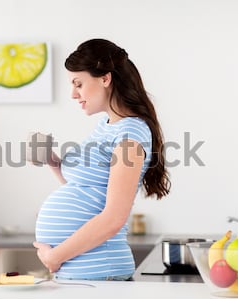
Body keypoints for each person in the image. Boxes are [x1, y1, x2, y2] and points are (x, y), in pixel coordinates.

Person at [32, 38, 170, 281]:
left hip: (100, 271)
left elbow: (114, 219)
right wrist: (52, 161)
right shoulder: (107, 125)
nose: (74, 94)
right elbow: (86, 191)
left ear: (105, 79)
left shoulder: (130, 135)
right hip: (83, 272)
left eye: (79, 84)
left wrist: (55, 257)